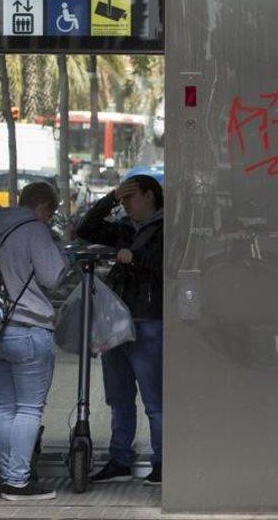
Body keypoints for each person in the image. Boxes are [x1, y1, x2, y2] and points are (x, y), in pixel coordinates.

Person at [0, 181, 68, 501]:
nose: (49, 218)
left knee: (4, 406)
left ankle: (5, 478)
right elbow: (53, 276)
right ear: (42, 208)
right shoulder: (35, 230)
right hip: (27, 328)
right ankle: (17, 481)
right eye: (50, 213)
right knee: (28, 409)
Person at [76, 175, 166, 486]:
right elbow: (84, 229)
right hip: (117, 323)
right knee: (119, 396)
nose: (125, 205)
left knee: (155, 399)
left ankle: (162, 462)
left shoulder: (168, 229)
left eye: (130, 197)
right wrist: (110, 197)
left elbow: (165, 265)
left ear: (150, 196)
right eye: (122, 199)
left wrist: (134, 258)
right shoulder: (125, 229)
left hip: (149, 320)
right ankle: (120, 460)